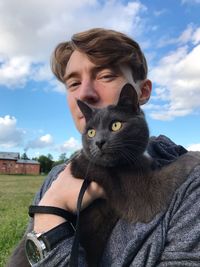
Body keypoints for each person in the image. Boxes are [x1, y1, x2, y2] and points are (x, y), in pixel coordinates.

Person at [8, 28, 200, 266]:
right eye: (74, 83)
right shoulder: (59, 177)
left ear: (143, 91)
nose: (85, 93)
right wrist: (52, 208)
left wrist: (49, 217)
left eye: (106, 76)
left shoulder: (193, 185)